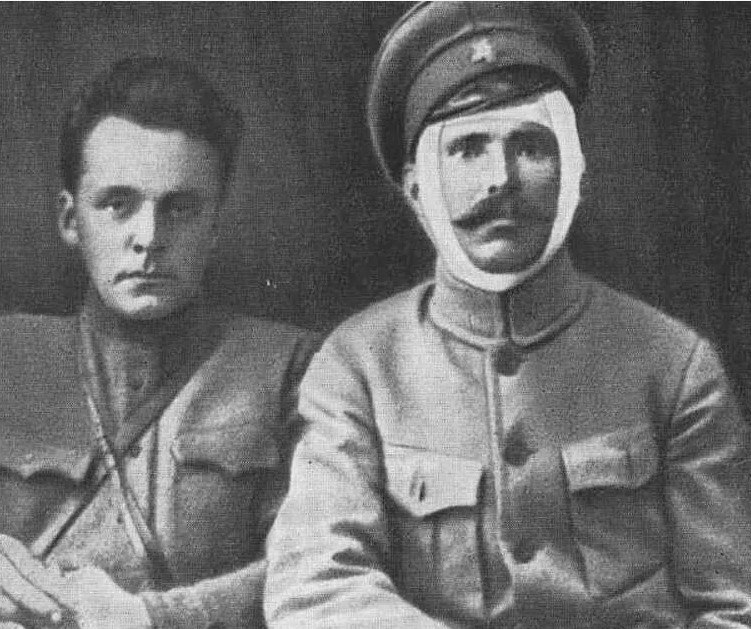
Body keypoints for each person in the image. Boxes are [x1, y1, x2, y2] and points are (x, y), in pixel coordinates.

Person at [264, 3, 751, 628]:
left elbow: (732, 607)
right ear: (417, 189)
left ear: (574, 173)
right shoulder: (356, 366)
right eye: (467, 149)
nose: (500, 179)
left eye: (529, 146)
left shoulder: (674, 364)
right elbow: (316, 586)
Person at [0, 56, 318, 629]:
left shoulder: (292, 369)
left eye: (180, 209)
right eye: (117, 205)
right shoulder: (8, 357)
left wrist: (152, 617)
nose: (148, 238)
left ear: (216, 224)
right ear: (70, 220)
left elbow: (314, 562)